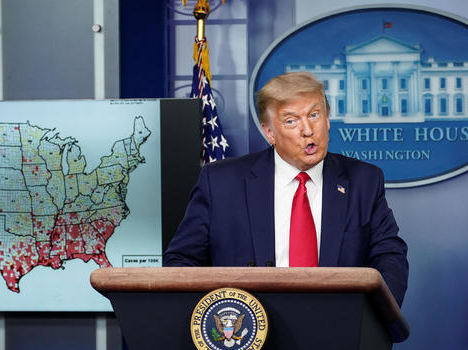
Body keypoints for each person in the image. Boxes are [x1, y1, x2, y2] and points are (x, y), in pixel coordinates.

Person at [163, 72, 409, 307]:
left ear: (328, 119)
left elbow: (389, 257)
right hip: (245, 335)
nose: (308, 130)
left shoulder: (363, 181)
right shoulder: (221, 182)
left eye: (314, 115)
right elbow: (181, 262)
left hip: (339, 328)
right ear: (269, 132)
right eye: (291, 121)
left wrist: (373, 317)